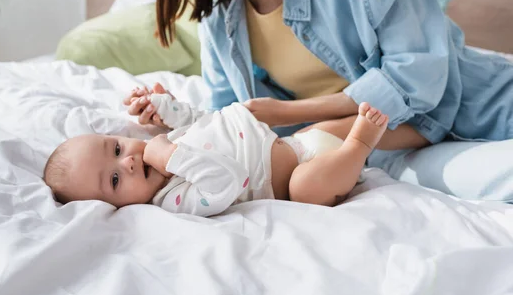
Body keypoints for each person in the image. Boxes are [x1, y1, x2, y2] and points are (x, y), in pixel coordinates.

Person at [128, 0, 513, 175]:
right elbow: (236, 127)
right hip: (375, 144)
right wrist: (175, 117)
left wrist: (293, 114)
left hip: (485, 108)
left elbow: (418, 79)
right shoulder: (220, 25)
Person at [44, 94, 402, 215]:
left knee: (381, 124)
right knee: (305, 187)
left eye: (118, 149)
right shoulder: (173, 198)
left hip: (298, 145)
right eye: (116, 179)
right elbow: (226, 181)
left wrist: (166, 108)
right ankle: (359, 147)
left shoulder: (170, 141)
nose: (129, 161)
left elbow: (206, 122)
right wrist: (170, 157)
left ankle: (419, 132)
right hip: (304, 178)